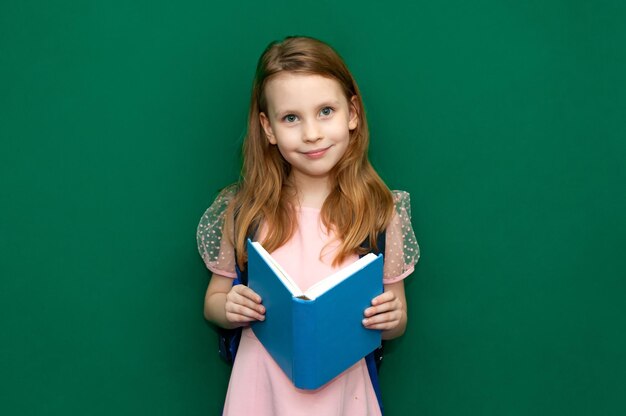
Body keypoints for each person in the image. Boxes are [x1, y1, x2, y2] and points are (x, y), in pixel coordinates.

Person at [197, 35, 419, 415]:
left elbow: (396, 313)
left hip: (343, 390)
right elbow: (214, 301)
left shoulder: (381, 212)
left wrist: (392, 317)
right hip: (260, 386)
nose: (311, 133)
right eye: (291, 118)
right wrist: (228, 305)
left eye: (325, 111)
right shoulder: (244, 209)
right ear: (268, 129)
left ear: (352, 113)